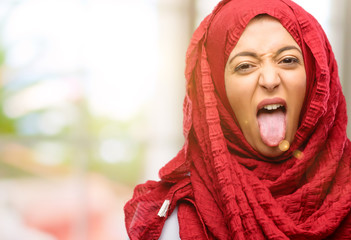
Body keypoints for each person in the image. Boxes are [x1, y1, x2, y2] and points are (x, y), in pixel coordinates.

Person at [124, 0, 351, 239]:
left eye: (288, 60)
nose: (270, 79)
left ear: (317, 78)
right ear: (216, 91)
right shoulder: (174, 223)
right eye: (245, 66)